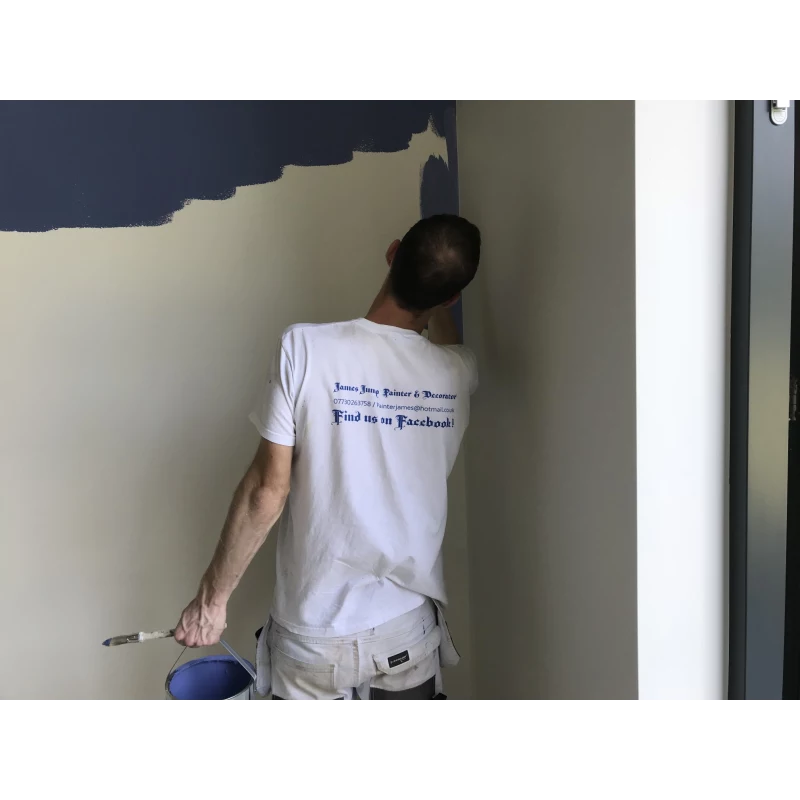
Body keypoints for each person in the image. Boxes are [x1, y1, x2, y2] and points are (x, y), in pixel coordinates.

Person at [174, 213, 481, 700]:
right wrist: (440, 297)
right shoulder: (457, 372)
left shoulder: (305, 348)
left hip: (314, 638)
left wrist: (211, 601)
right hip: (406, 632)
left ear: (392, 253)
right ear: (450, 298)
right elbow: (447, 343)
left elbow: (266, 492)